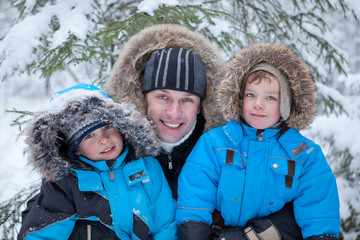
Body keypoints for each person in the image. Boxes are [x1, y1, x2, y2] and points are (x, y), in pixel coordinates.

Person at [105, 24, 302, 240]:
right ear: (144, 99)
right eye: (163, 97)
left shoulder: (229, 146)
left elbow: (302, 209)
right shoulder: (109, 150)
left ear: (200, 106)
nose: (174, 112)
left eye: (187, 100)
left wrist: (247, 236)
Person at [175, 42, 341, 239]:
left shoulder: (305, 154)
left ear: (286, 103)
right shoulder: (215, 143)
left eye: (270, 98)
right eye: (251, 95)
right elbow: (195, 196)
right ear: (239, 98)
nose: (258, 105)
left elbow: (319, 211)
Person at [18, 83, 177, 240]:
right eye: (89, 136)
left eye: (108, 128)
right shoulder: (66, 184)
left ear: (121, 127)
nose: (104, 139)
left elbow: (165, 225)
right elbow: (43, 234)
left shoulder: (147, 167)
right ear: (76, 149)